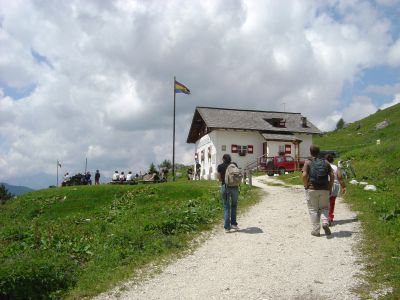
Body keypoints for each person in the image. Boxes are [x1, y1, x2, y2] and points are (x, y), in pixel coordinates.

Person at [302, 145, 334, 237]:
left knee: (313, 209)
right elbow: (332, 175)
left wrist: (306, 186)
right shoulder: (326, 162)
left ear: (310, 152)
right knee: (324, 208)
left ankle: (316, 231)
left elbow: (304, 175)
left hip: (312, 189)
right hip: (325, 189)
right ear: (319, 152)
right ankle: (325, 223)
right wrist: (330, 187)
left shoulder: (308, 162)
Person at [217, 154, 239, 233]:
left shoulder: (220, 166)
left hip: (225, 187)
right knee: (234, 205)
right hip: (235, 187)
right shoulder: (234, 165)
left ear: (223, 159)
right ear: (230, 159)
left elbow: (219, 179)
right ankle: (234, 224)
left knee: (226, 207)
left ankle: (227, 228)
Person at [326, 154, 347, 226]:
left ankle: (324, 217)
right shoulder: (335, 167)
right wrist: (344, 187)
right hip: (335, 185)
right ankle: (330, 217)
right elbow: (340, 177)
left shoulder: (324, 166)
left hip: (325, 185)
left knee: (325, 202)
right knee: (332, 202)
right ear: (332, 160)